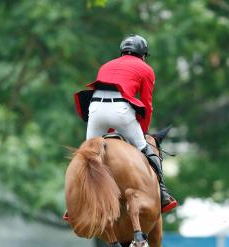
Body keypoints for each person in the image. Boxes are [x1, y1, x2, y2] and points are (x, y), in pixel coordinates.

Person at [74, 34, 177, 213]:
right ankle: (163, 192)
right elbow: (147, 103)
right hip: (121, 111)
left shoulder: (106, 65)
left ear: (122, 51)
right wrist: (142, 132)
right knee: (145, 148)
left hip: (95, 109)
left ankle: (76, 200)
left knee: (86, 155)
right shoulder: (146, 69)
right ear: (143, 54)